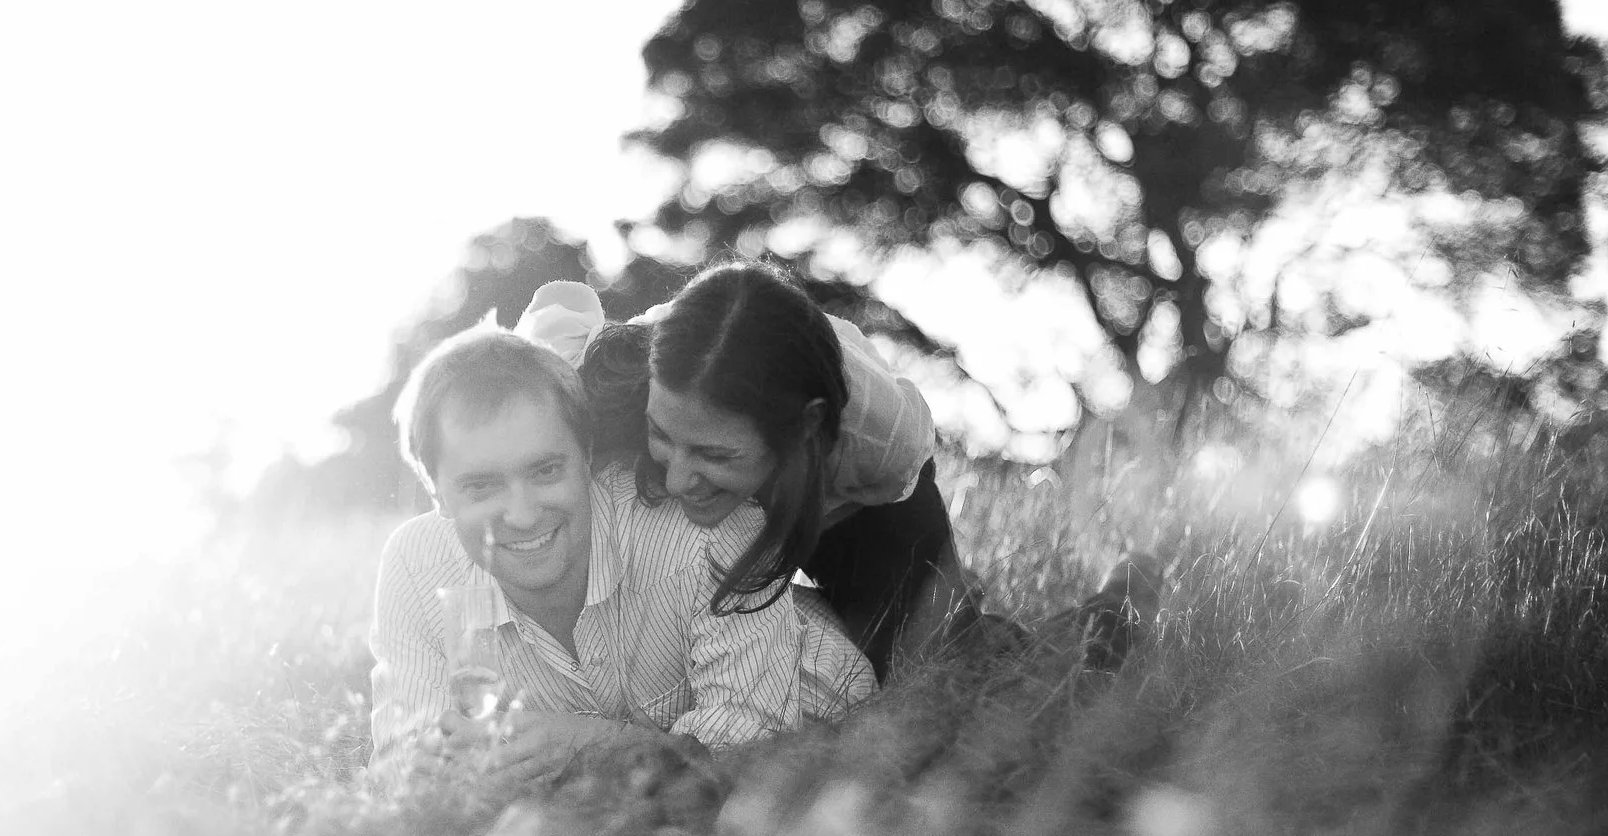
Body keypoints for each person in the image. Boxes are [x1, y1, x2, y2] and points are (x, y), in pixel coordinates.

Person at [540, 267, 1155, 679]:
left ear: (801, 432)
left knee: (948, 667)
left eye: (715, 455)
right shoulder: (622, 380)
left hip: (854, 509)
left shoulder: (879, 443)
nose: (677, 479)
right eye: (663, 439)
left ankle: (1118, 603)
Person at [368, 319, 875, 778]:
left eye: (546, 471)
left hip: (831, 725)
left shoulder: (710, 536)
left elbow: (748, 749)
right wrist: (439, 776)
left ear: (586, 456)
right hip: (630, 799)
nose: (521, 515)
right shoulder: (416, 567)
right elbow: (399, 760)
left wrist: (593, 746)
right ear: (435, 491)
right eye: (481, 487)